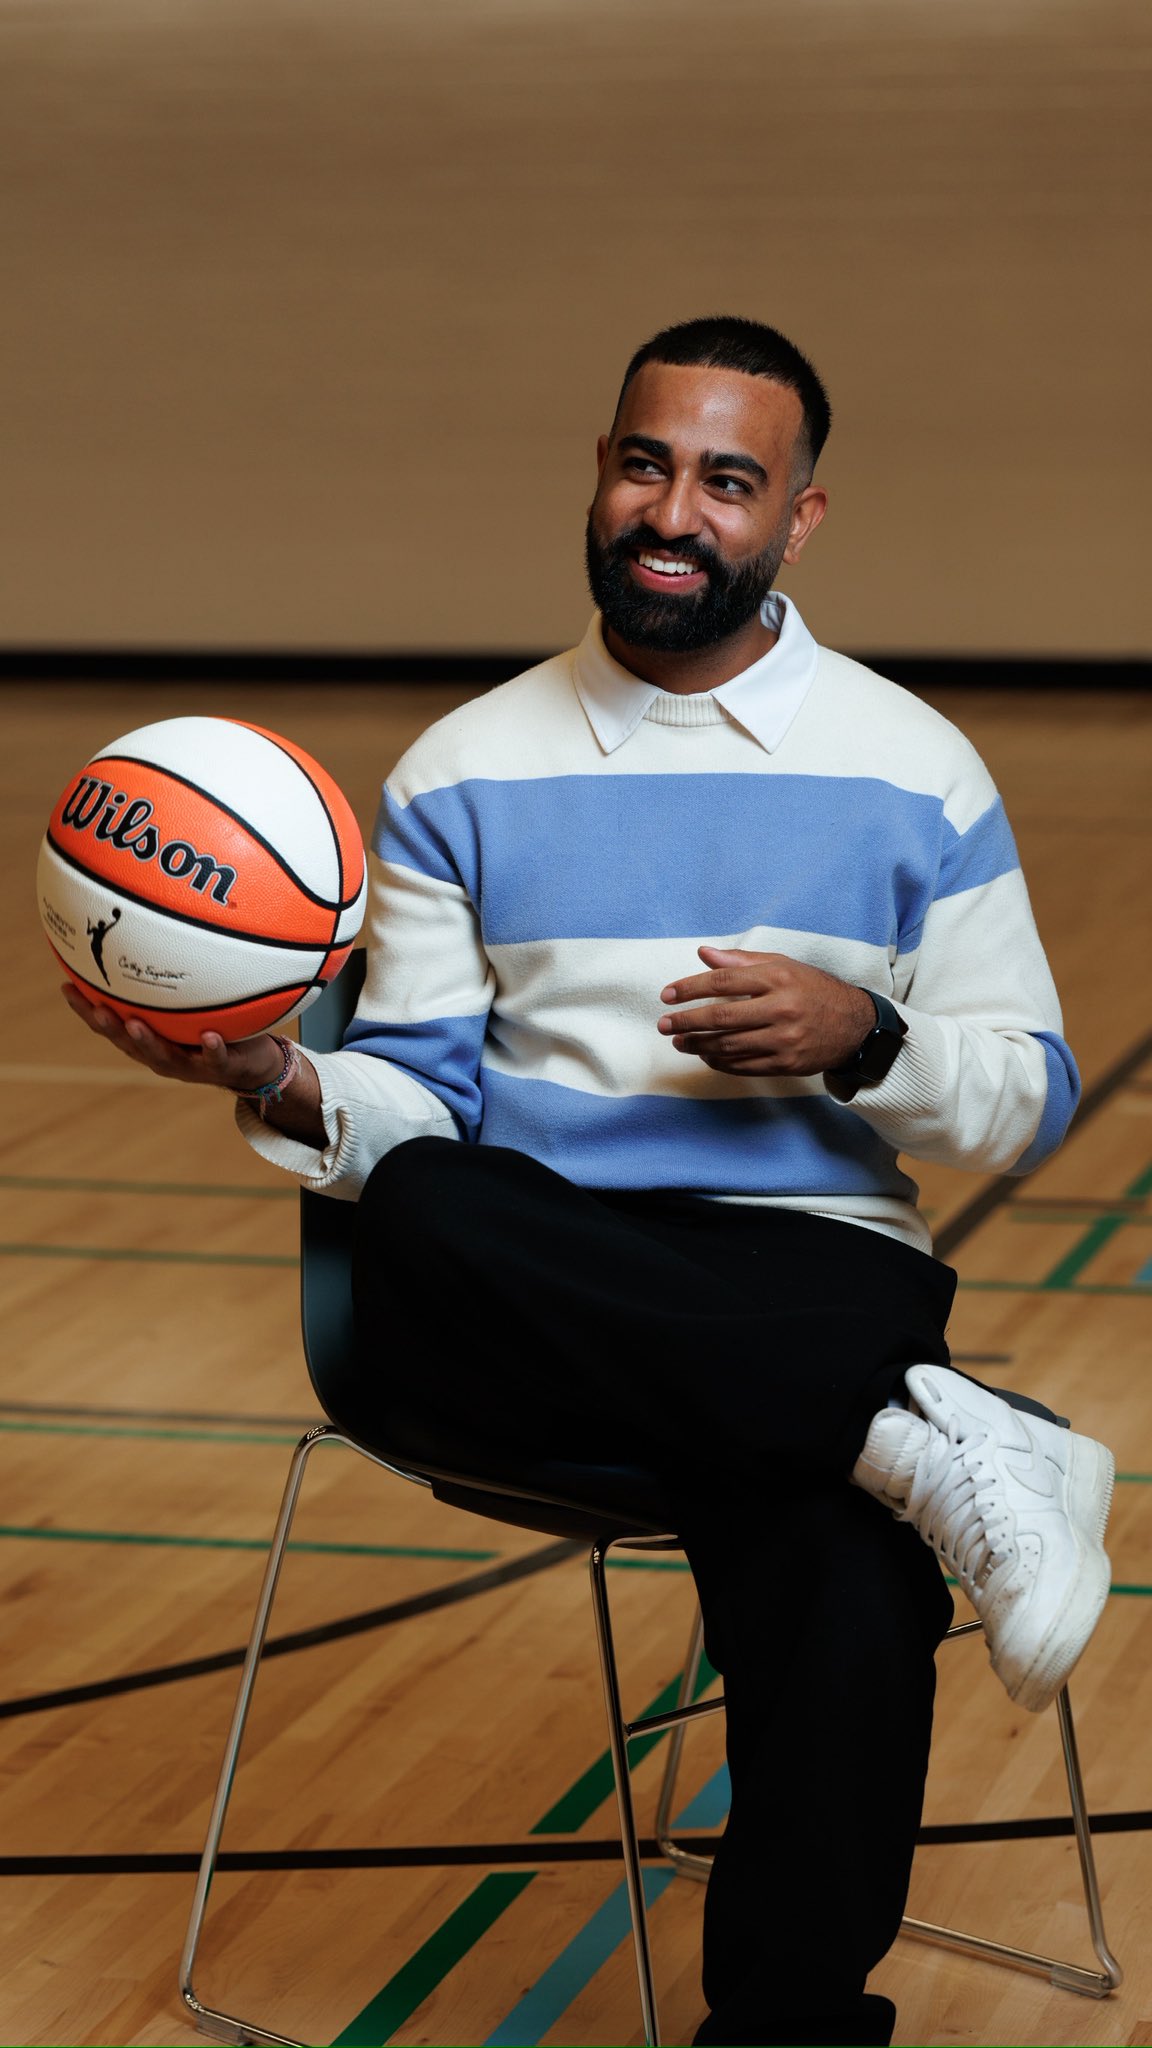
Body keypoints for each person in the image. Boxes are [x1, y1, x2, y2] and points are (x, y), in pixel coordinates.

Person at [64, 315, 1115, 2047]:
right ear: (600, 470)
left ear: (802, 517)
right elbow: (414, 1106)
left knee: (851, 1587)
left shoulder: (916, 765)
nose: (673, 511)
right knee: (421, 1201)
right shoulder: (465, 770)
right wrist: (278, 1072)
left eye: (727, 479)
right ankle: (908, 1425)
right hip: (525, 1287)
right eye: (645, 463)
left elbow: (1026, 1105)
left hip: (800, 1264)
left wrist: (866, 1036)